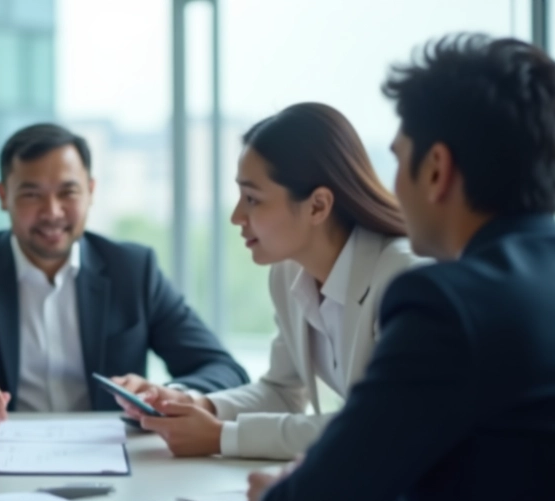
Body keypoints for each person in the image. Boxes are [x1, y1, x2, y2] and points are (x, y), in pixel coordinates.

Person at [248, 35, 555, 501]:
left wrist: (278, 496)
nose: (390, 185)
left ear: (437, 169)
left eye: (397, 158)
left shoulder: (447, 307)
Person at [0, 123, 249, 425]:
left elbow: (223, 369)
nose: (52, 212)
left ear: (90, 191)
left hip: (113, 454)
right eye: (32, 195)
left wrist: (171, 394)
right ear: (3, 195)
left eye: (68, 192)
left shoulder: (132, 270)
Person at [118, 103, 423, 460]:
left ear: (317, 206)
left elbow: (377, 426)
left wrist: (223, 437)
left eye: (252, 199)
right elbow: (281, 392)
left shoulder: (404, 277)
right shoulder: (289, 272)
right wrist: (194, 404)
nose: (236, 216)